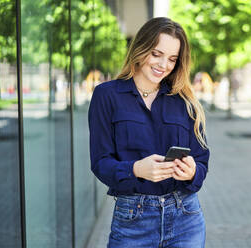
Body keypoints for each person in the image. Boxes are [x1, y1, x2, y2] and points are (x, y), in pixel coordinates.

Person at [88, 17, 210, 248]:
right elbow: (100, 162)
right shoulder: (106, 95)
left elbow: (202, 161)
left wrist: (192, 172)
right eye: (156, 54)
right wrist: (136, 169)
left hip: (185, 217)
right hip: (133, 220)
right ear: (140, 49)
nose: (164, 65)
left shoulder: (185, 101)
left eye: (172, 59)